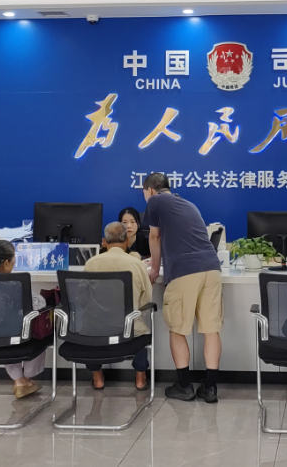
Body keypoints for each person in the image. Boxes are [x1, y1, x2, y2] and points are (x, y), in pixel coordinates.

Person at [144, 172, 222, 403]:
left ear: (150, 190)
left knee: (177, 328)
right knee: (211, 329)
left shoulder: (155, 201)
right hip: (211, 267)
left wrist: (154, 268)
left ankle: (185, 386)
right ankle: (210, 388)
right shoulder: (188, 204)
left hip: (184, 271)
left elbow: (155, 237)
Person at [84, 221, 153, 391]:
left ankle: (97, 377)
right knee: (139, 326)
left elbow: (84, 297)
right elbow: (146, 300)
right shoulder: (136, 264)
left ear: (104, 242)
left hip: (97, 329)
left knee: (90, 323)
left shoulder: (91, 263)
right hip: (129, 330)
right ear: (127, 241)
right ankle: (140, 378)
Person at [0, 240, 45, 399]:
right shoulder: (14, 284)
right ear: (6, 263)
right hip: (13, 339)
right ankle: (26, 377)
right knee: (35, 328)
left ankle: (18, 379)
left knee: (3, 329)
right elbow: (39, 304)